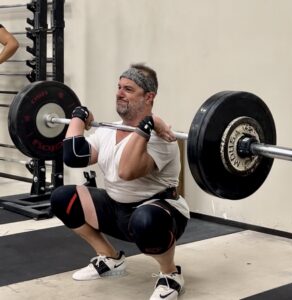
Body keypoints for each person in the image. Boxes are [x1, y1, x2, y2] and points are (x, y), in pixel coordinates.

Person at [50, 63, 190, 300]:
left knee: (146, 221)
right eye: (118, 87)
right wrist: (78, 115)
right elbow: (74, 156)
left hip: (158, 213)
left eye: (128, 88)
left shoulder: (163, 138)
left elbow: (127, 170)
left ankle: (171, 274)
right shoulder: (108, 129)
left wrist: (150, 123)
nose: (119, 93)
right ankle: (111, 259)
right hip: (116, 209)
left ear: (149, 97)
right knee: (63, 198)